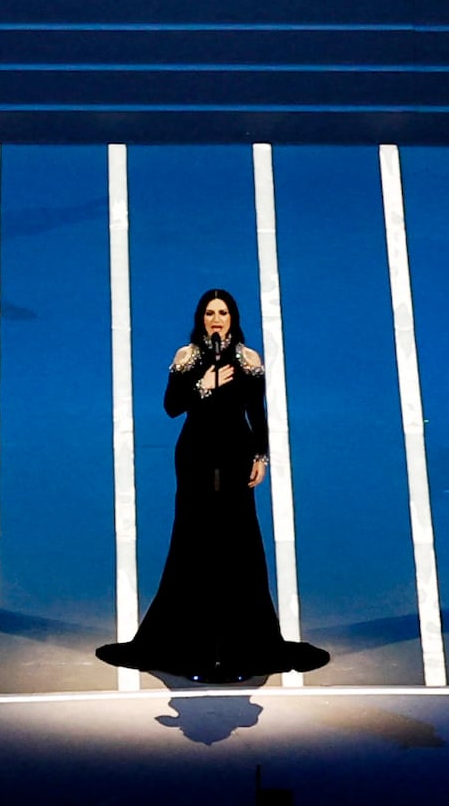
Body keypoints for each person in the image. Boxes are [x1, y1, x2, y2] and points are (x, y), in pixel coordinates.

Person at [95, 289, 331, 681]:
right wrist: (203, 385)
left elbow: (257, 412)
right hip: (196, 456)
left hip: (236, 454)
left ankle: (243, 638)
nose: (216, 319)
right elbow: (171, 407)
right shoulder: (186, 357)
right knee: (194, 538)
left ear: (233, 318)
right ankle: (188, 637)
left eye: (222, 312)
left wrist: (262, 456)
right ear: (201, 318)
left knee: (239, 541)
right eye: (209, 313)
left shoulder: (249, 359)